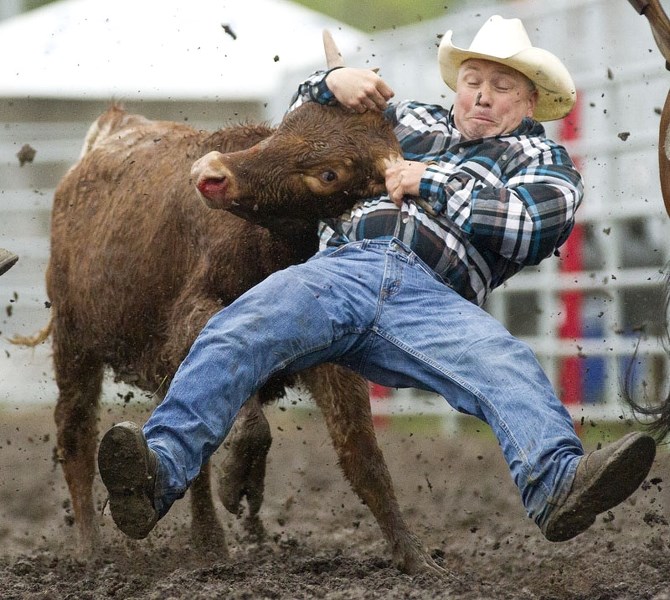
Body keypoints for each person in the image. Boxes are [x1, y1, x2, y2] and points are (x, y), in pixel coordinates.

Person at [98, 15, 655, 544]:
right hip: (341, 269)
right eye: (473, 79)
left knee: (503, 364)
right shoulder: (401, 119)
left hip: (433, 298)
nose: (483, 95)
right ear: (457, 86)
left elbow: (530, 225)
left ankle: (557, 484)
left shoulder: (541, 158)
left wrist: (428, 181)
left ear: (531, 100)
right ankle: (157, 471)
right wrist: (330, 81)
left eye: (502, 85)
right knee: (237, 326)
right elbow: (300, 136)